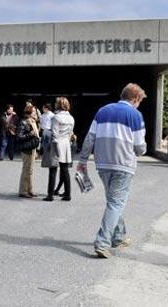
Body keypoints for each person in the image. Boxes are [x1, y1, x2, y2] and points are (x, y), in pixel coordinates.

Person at [77, 83, 147, 258]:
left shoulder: (102, 111)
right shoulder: (135, 115)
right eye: (140, 101)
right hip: (123, 165)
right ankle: (102, 242)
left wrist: (83, 159)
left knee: (113, 201)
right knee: (116, 203)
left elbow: (90, 137)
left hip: (102, 164)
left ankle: (118, 236)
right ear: (135, 99)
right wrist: (142, 151)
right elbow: (139, 147)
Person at [44, 97, 75, 202]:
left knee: (53, 170)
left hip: (57, 144)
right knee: (65, 170)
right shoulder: (71, 118)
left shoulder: (56, 118)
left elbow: (54, 133)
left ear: (58, 105)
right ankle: (68, 194)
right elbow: (71, 133)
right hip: (66, 143)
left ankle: (50, 195)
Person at [16, 104, 40, 198]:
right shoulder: (24, 122)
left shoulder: (33, 121)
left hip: (32, 148)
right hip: (27, 149)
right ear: (30, 113)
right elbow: (19, 136)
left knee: (30, 170)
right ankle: (23, 191)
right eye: (34, 111)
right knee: (26, 170)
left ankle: (29, 189)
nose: (36, 113)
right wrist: (30, 134)